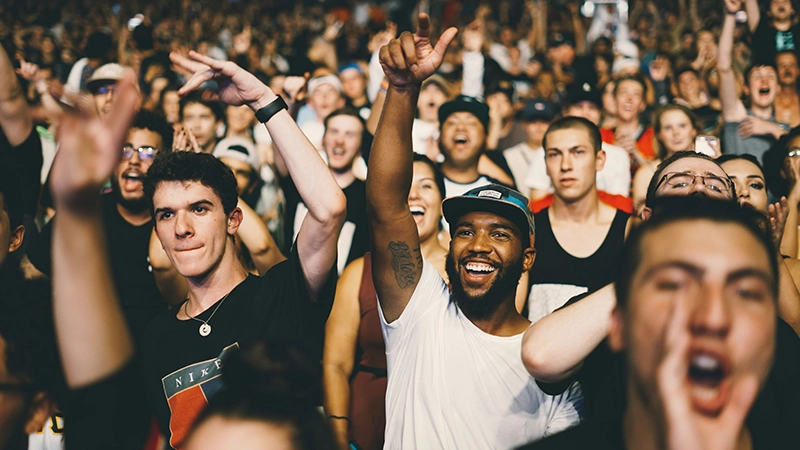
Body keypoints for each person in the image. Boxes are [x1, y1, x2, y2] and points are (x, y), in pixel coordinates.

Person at [367, 15, 582, 449]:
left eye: (500, 234)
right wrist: (402, 90)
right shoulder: (420, 310)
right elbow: (386, 203)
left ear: (528, 257)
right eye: (465, 230)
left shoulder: (550, 362)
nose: (477, 245)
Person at [522, 152, 800, 447]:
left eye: (716, 186)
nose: (698, 188)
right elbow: (541, 356)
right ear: (648, 217)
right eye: (679, 183)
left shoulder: (766, 329)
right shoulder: (614, 308)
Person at [141, 49, 346, 449]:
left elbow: (329, 208)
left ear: (234, 220)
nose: (182, 228)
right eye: (166, 215)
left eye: (199, 209)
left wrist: (261, 101)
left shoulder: (279, 295)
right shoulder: (155, 337)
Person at [323, 154, 447, 450]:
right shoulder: (358, 272)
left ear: (443, 202)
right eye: (403, 186)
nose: (413, 194)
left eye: (425, 185)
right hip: (368, 421)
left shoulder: (466, 271)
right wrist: (338, 435)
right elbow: (335, 364)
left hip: (441, 420)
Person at [525, 117, 631, 324]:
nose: (566, 165)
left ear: (600, 160)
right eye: (555, 155)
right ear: (545, 164)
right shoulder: (528, 231)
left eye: (578, 152)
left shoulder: (629, 230)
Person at [279, 107, 370, 274]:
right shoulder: (301, 182)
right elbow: (281, 148)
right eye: (334, 132)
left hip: (342, 294)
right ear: (323, 139)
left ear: (360, 146)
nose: (340, 141)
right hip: (289, 288)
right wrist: (291, 104)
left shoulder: (367, 197)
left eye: (350, 135)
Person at [525, 85, 631, 205]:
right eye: (579, 107)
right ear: (565, 112)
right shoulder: (545, 152)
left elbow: (620, 205)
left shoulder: (618, 155)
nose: (586, 112)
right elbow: (538, 204)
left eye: (592, 108)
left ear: (600, 114)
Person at [720, 0, 789, 160]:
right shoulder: (737, 116)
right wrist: (731, 14)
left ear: (778, 88)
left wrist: (772, 129)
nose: (764, 81)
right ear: (746, 89)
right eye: (757, 77)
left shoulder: (784, 129)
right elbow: (724, 67)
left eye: (770, 77)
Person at [631, 104, 704, 213]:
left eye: (682, 126)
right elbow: (642, 217)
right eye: (668, 127)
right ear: (659, 134)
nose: (676, 133)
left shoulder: (713, 167)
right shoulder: (647, 173)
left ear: (694, 130)